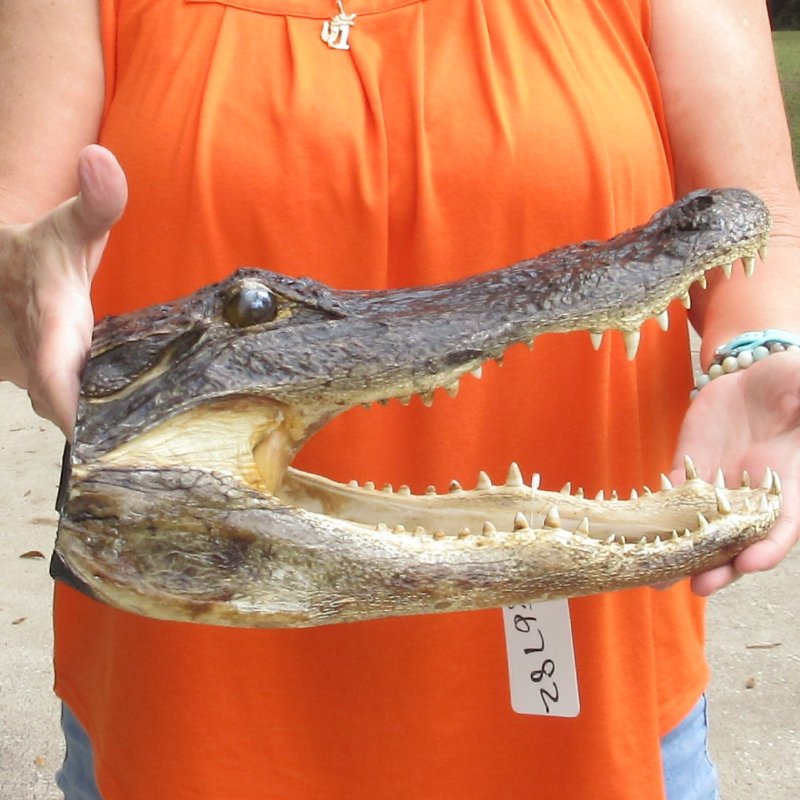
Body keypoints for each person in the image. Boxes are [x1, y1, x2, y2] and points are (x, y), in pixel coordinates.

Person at [1, 1, 798, 798]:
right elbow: (21, 264)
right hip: (188, 716)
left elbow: (754, 231)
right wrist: (20, 298)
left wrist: (763, 354)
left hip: (594, 701)